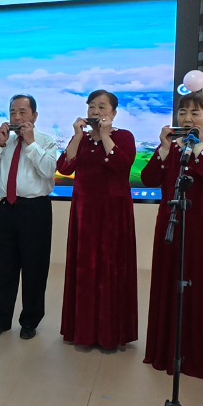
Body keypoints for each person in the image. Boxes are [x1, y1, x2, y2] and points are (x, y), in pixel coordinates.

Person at [140, 92, 203, 378]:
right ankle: (164, 351)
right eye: (183, 113)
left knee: (198, 286)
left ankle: (196, 356)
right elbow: (148, 179)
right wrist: (164, 149)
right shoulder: (170, 147)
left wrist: (198, 149)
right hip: (171, 223)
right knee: (169, 282)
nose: (187, 118)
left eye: (195, 113)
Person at [57, 90, 138, 348]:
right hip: (84, 215)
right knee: (84, 270)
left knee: (111, 270)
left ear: (114, 113)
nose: (95, 111)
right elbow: (64, 167)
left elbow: (122, 166)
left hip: (114, 215)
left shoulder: (124, 137)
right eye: (92, 106)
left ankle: (111, 333)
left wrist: (104, 135)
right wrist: (77, 135)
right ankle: (82, 331)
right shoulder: (80, 139)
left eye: (102, 107)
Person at [0, 95, 58, 340]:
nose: (16, 117)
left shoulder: (45, 141)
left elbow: (48, 171)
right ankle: (1, 320)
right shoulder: (6, 142)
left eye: (23, 112)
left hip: (35, 210)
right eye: (13, 112)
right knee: (5, 268)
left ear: (34, 115)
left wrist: (31, 143)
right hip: (7, 209)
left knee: (34, 267)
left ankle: (30, 321)